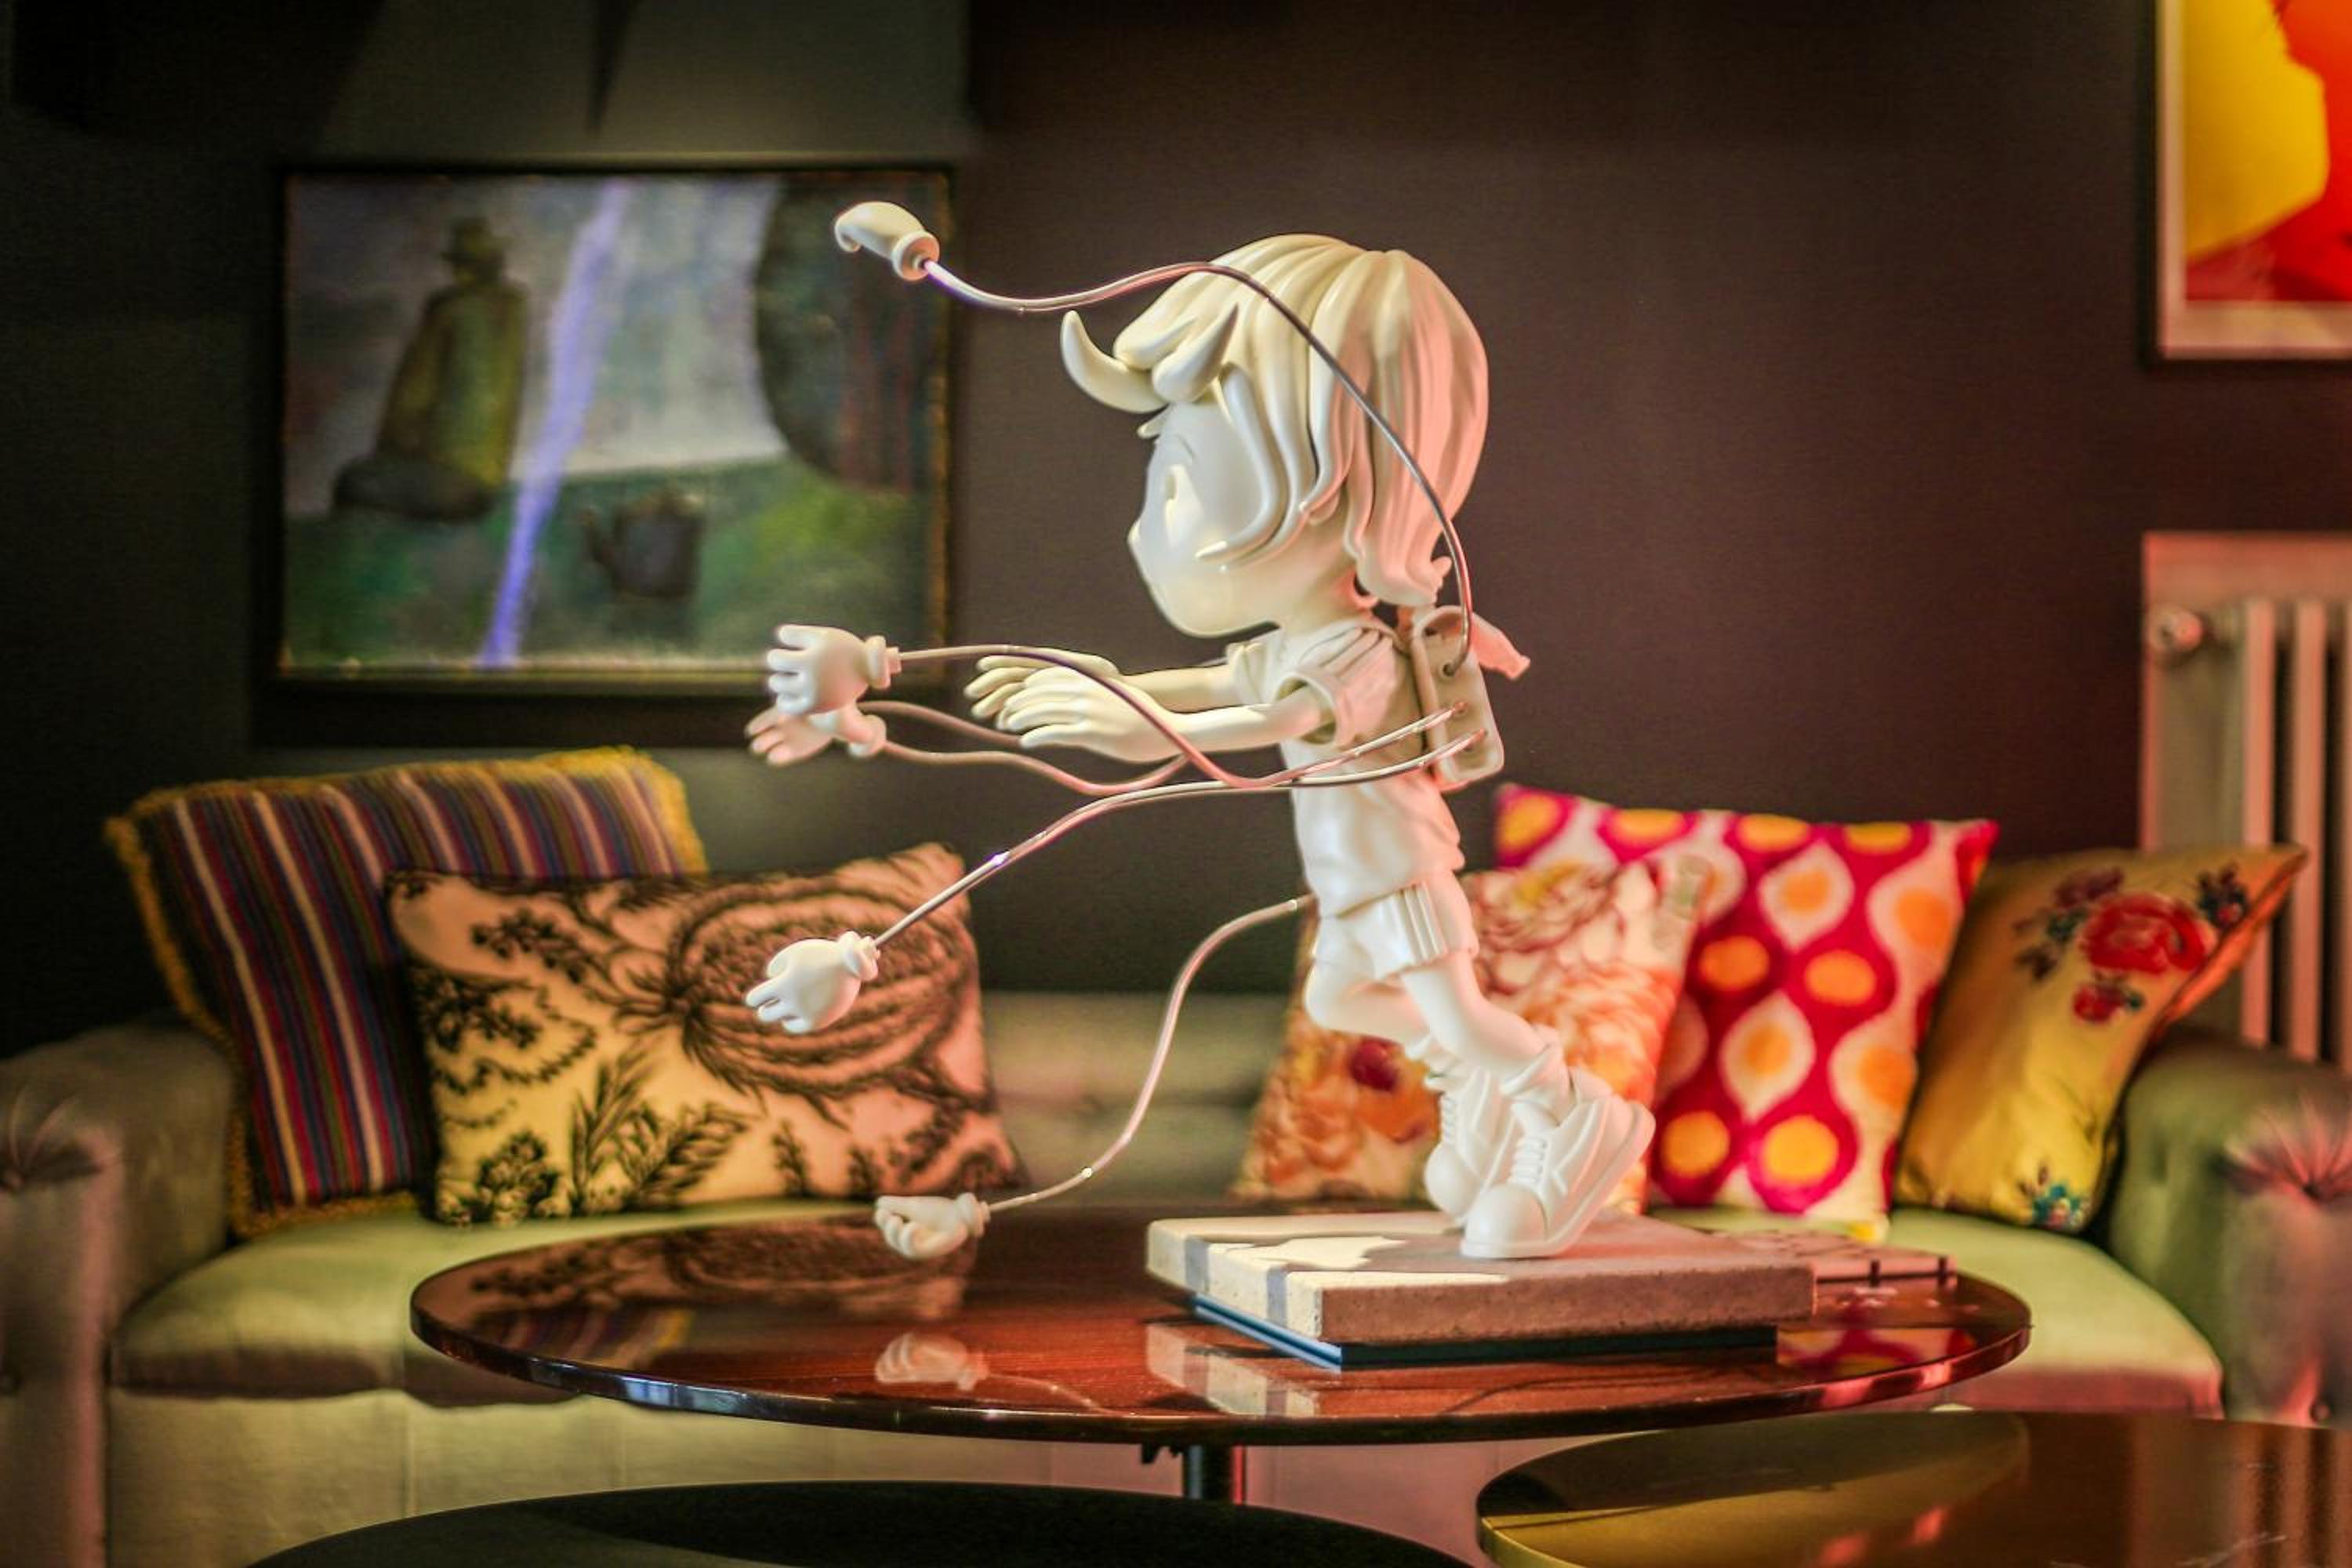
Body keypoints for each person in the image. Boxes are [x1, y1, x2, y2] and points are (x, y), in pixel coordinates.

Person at [964, 234, 1650, 1258]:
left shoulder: (1354, 649)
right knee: (1342, 998)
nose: (1148, 529)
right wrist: (1113, 685)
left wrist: (1143, 727)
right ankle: (1481, 1083)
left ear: (1336, 493)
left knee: (1460, 1014)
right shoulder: (1293, 641)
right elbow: (1220, 685)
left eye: (1181, 484)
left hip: (1398, 870)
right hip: (1350, 878)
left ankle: (1571, 1112)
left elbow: (1276, 721)